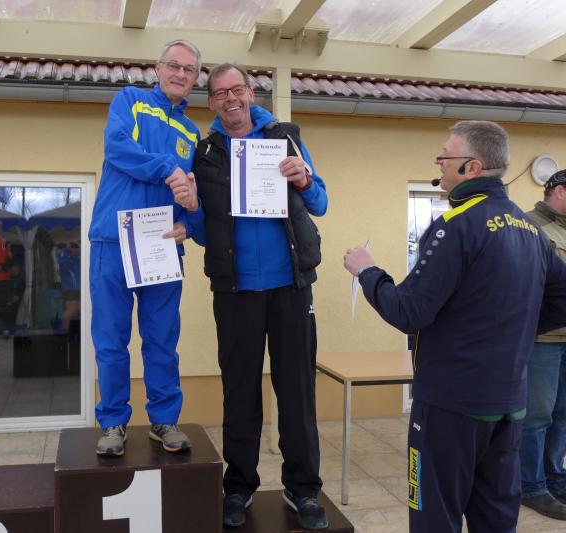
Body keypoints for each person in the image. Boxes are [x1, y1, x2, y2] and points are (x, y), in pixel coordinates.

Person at [343, 120, 566, 533]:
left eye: (445, 155)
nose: (438, 162)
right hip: (508, 403)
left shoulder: (456, 225)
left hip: (450, 403)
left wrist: (368, 272)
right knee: (496, 518)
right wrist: (511, 335)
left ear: (472, 167)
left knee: (434, 515)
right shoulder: (529, 229)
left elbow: (408, 311)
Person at [191, 63, 329, 530]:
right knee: (240, 394)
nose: (230, 98)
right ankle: (239, 487)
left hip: (292, 286)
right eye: (220, 93)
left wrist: (303, 177)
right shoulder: (205, 153)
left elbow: (321, 202)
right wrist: (188, 209)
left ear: (251, 94)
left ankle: (303, 489)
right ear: (211, 102)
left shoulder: (285, 137)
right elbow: (202, 229)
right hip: (236, 290)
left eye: (237, 89)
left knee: (297, 392)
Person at [88, 39, 202, 456]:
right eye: (174, 65)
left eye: (189, 70)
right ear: (158, 68)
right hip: (113, 239)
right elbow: (118, 148)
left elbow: (194, 195)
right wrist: (168, 168)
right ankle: (113, 423)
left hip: (161, 244)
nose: (180, 74)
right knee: (111, 339)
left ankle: (164, 420)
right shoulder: (130, 101)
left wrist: (189, 222)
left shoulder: (192, 133)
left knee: (161, 340)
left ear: (195, 79)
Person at [520, 168, 566, 520]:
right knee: (537, 416)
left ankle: (555, 479)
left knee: (563, 414)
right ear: (560, 191)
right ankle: (531, 486)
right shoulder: (529, 225)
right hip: (543, 339)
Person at [58, 241, 81, 333]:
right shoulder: (64, 256)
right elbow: (63, 267)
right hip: (70, 289)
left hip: (77, 288)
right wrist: (67, 251)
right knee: (71, 311)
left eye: (75, 246)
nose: (75, 248)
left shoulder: (76, 258)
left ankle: (72, 332)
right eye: (73, 246)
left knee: (78, 310)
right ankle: (65, 332)